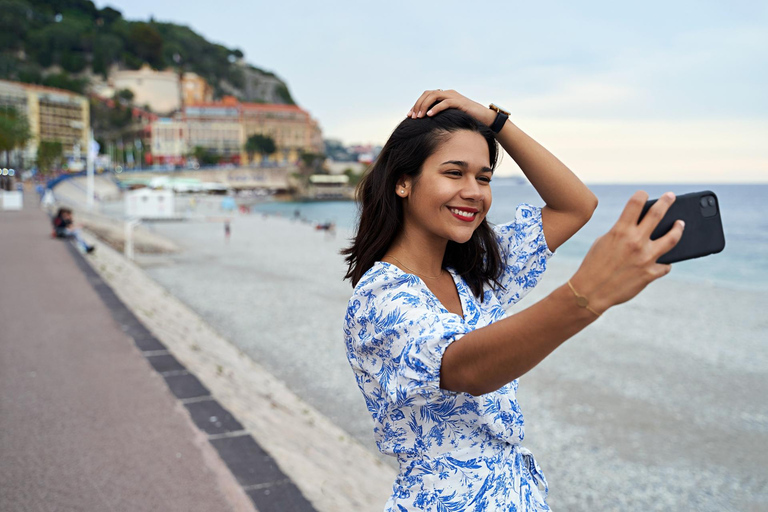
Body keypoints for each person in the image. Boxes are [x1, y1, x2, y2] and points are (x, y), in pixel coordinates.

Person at [342, 90, 685, 511]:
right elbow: (469, 367)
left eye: (484, 178)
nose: (474, 192)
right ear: (403, 181)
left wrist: (495, 121)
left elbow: (576, 206)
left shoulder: (476, 272)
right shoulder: (379, 297)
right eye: (454, 173)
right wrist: (586, 295)